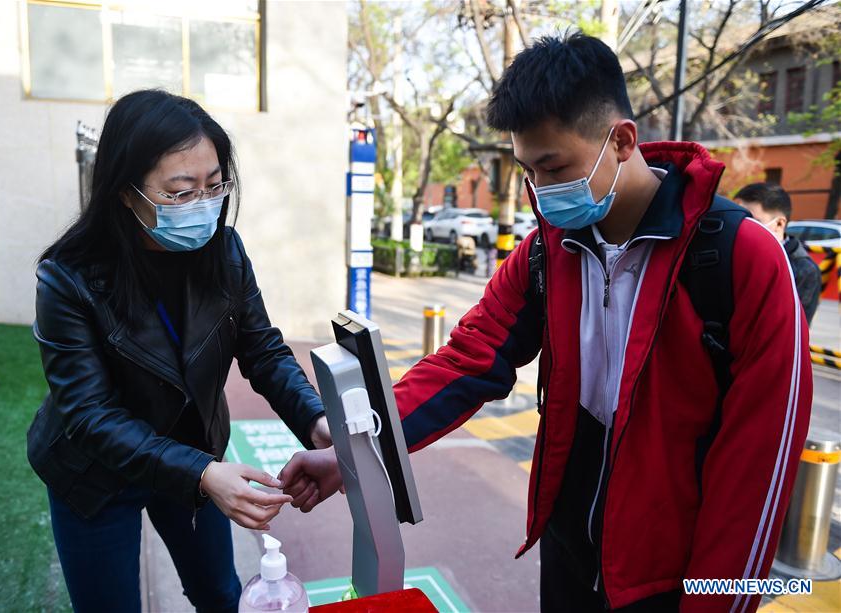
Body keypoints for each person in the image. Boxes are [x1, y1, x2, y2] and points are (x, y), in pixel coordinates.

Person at [281, 33, 812, 612]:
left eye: (555, 166)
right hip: (567, 548)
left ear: (623, 140)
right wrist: (356, 457)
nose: (542, 191)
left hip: (670, 577)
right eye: (529, 170)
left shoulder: (742, 258)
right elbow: (469, 358)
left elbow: (758, 472)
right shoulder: (546, 252)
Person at [27, 89, 333, 613]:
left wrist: (315, 420)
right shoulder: (68, 278)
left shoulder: (226, 251)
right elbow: (89, 414)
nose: (203, 206)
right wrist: (202, 473)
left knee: (219, 593)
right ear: (127, 192)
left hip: (191, 455)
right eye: (180, 192)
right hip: (94, 475)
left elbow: (263, 351)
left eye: (214, 186)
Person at [735, 182, 822, 324]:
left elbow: (794, 330)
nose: (740, 228)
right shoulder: (732, 253)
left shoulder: (804, 270)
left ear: (779, 224)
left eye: (752, 222)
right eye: (736, 219)